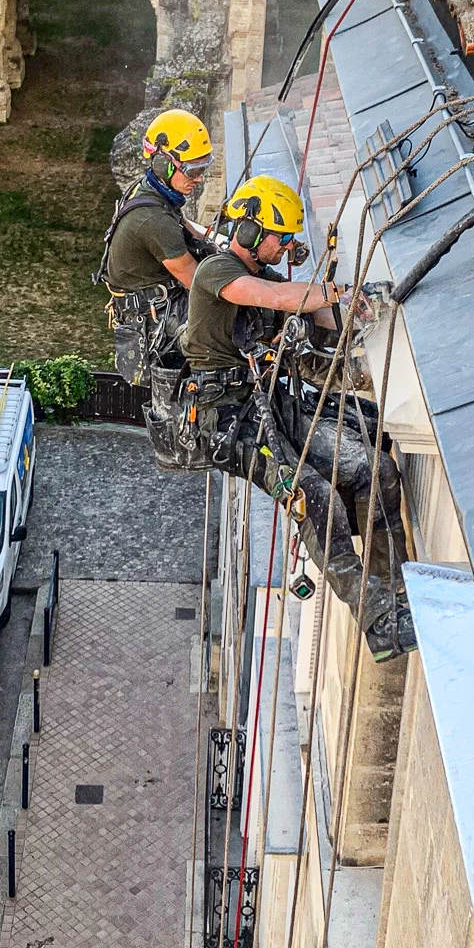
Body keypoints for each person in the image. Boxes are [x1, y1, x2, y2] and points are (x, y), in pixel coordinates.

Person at [172, 175, 395, 619]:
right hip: (228, 421)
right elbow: (277, 298)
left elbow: (314, 311)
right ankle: (378, 617)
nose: (287, 246)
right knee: (316, 499)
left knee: (375, 467)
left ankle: (395, 585)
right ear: (251, 231)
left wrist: (366, 305)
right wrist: (337, 292)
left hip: (267, 405)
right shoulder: (217, 272)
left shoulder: (263, 274)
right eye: (282, 238)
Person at [98, 109, 215, 384]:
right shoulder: (152, 220)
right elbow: (204, 286)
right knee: (234, 330)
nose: (199, 179)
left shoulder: (148, 189)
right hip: (157, 322)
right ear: (165, 165)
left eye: (203, 169)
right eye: (193, 170)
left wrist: (218, 240)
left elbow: (184, 224)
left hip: (158, 303)